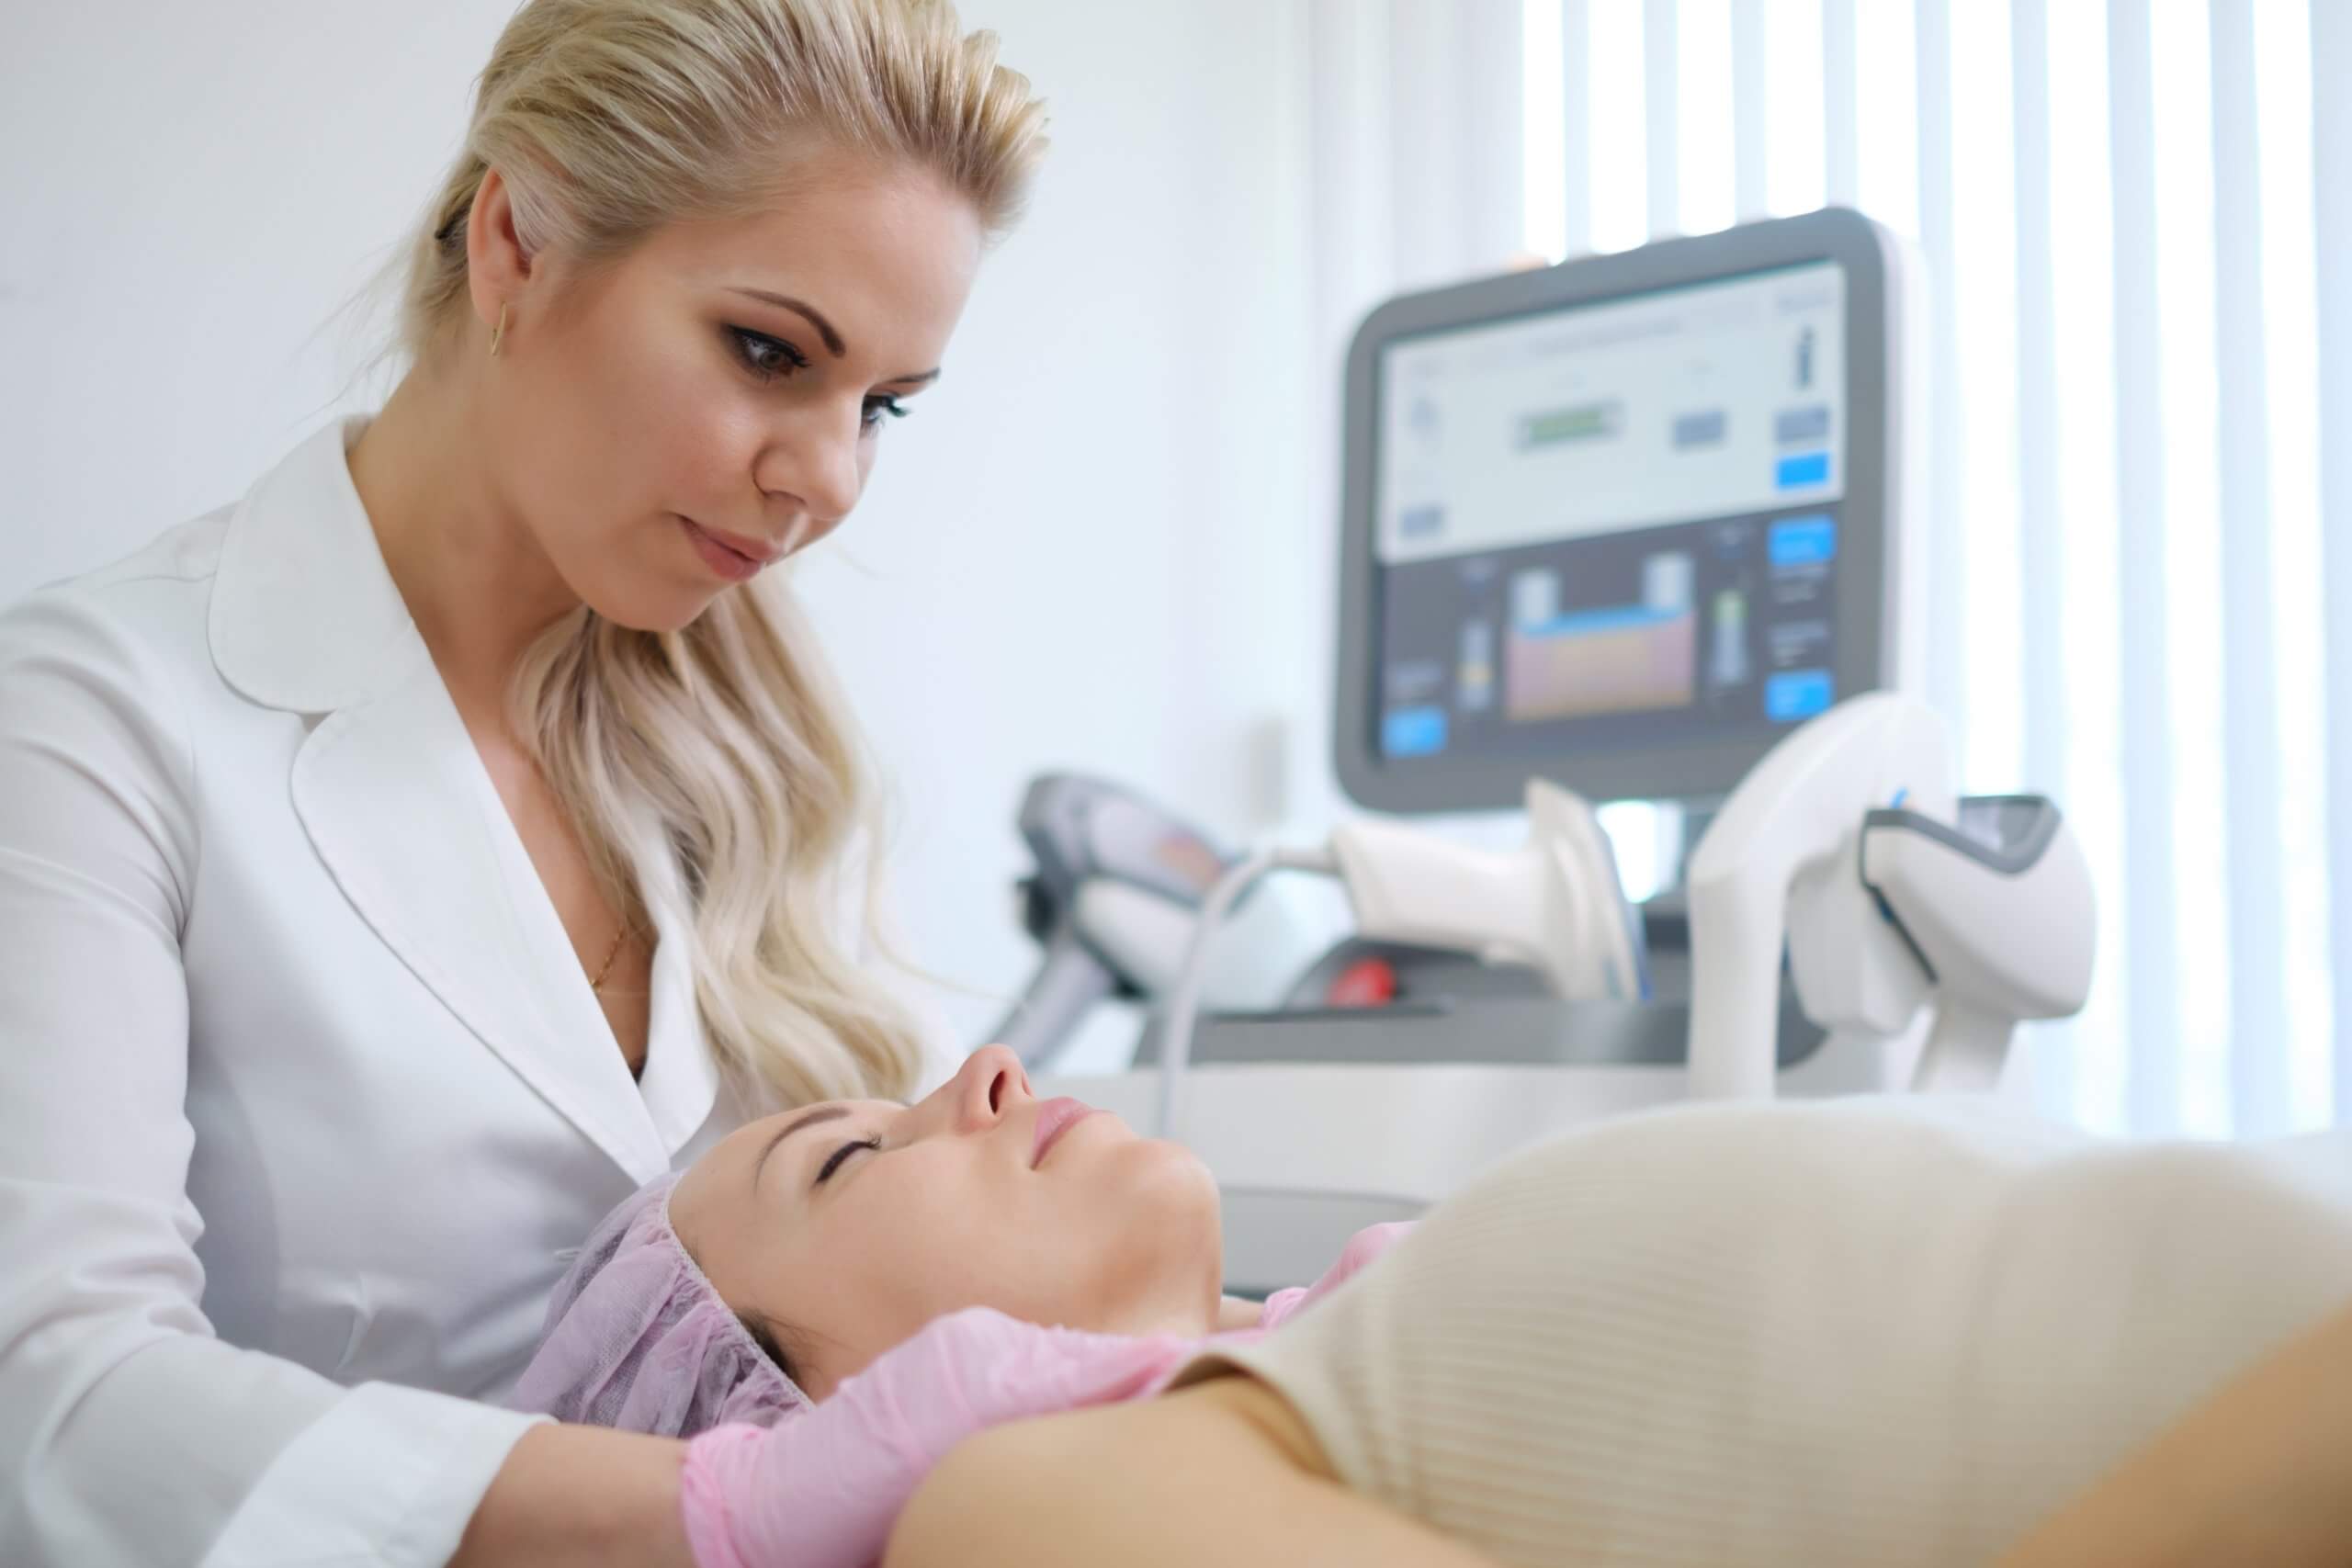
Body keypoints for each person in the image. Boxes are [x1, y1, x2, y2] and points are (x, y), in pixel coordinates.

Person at [0, 3, 1046, 1563]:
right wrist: (738, 1516)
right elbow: (53, 1407)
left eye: (882, 405)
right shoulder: (91, 721)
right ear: (515, 246)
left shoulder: (757, 746)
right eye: (771, 352)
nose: (829, 481)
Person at [522, 1045, 2352, 1568]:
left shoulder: (1321, 1362)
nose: (983, 1072)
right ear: (802, 1420)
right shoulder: (1020, 1506)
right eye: (846, 1161)